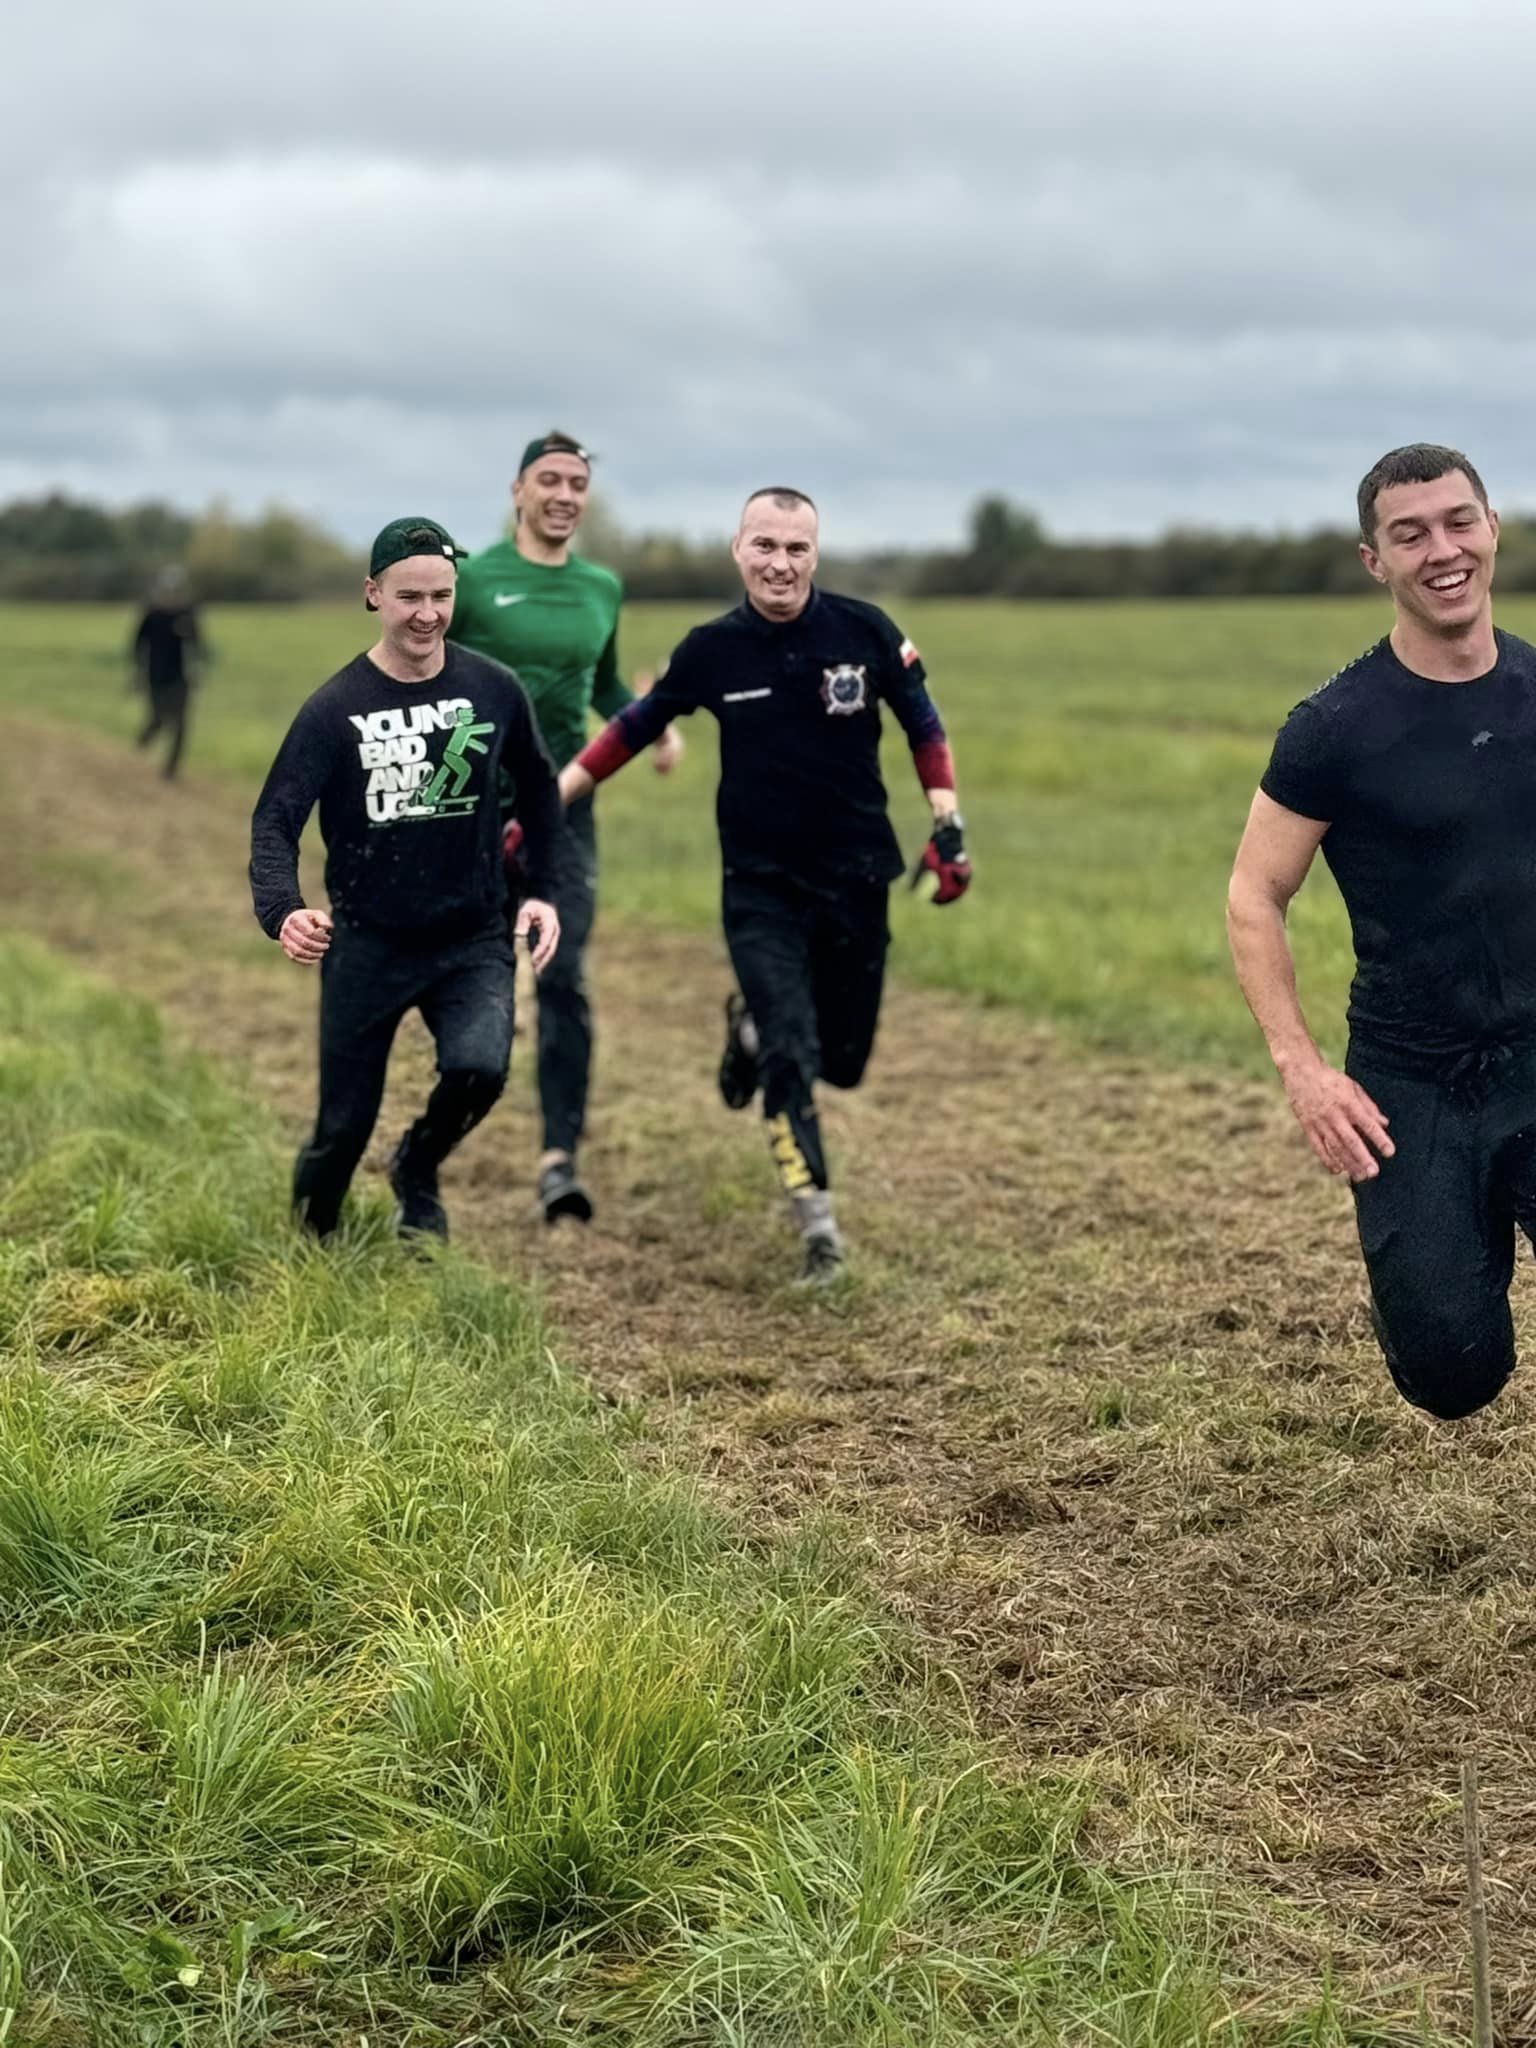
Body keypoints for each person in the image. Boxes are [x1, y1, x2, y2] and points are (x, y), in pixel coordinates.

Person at [557, 486, 971, 1284]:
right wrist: (555, 799)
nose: (780, 563)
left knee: (842, 1063)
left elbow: (925, 724)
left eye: (796, 548)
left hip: (858, 875)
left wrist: (946, 821)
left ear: (815, 554)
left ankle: (748, 1029)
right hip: (759, 888)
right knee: (792, 1053)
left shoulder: (866, 631)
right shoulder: (712, 649)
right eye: (765, 546)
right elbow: (635, 727)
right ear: (738, 549)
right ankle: (819, 1229)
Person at [1228, 443, 1536, 1419]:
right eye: (1410, 535)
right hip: (1414, 1076)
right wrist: (1304, 1070)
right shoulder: (1334, 728)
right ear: (1376, 560)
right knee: (1455, 1371)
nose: (1441, 550)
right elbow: (1254, 895)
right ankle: (1429, 1285)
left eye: (1458, 522)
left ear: (1493, 530)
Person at [249, 517, 563, 1244]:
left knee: (480, 1069)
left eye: (441, 596)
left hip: (471, 935)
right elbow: (275, 821)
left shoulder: (494, 689)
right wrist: (284, 910)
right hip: (368, 941)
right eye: (409, 597)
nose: (427, 614)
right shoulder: (333, 710)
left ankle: (417, 1166)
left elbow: (542, 792)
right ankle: (312, 1244)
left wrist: (543, 890)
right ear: (373, 594)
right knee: (343, 1127)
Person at [448, 429, 684, 1225]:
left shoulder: (601, 588)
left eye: (577, 484)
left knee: (564, 976)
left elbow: (606, 685)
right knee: (457, 974)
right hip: (471, 812)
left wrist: (654, 725)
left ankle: (559, 1160)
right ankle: (436, 1133)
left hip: (566, 813)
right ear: (517, 490)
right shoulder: (472, 581)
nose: (564, 495)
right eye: (549, 479)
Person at [132, 565, 203, 779]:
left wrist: (197, 668)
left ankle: (171, 769)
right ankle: (141, 744)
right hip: (155, 676)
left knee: (181, 724)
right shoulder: (152, 614)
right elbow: (138, 644)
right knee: (159, 719)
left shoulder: (187, 613)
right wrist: (138, 672)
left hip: (179, 677)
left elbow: (197, 643)